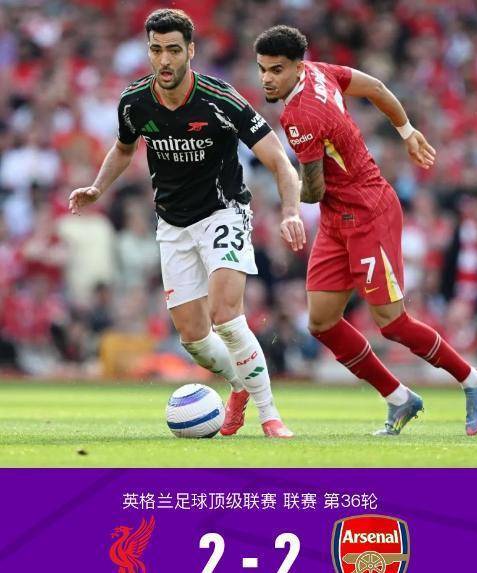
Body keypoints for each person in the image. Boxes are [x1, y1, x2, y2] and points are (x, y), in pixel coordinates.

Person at [69, 10, 307, 438]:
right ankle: (239, 385)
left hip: (223, 212)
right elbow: (123, 149)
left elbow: (278, 160)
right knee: (194, 338)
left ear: (191, 51)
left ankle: (270, 415)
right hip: (172, 225)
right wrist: (97, 187)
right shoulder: (134, 102)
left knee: (226, 317)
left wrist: (290, 210)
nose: (164, 60)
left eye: (174, 50)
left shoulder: (220, 99)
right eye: (156, 49)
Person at [254, 25, 477, 436]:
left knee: (391, 322)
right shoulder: (320, 72)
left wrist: (280, 182)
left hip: (368, 213)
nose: (266, 79)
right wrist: (407, 131)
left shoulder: (300, 116)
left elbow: (313, 190)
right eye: (262, 69)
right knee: (322, 322)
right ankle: (399, 398)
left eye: (276, 70)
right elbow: (377, 88)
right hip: (337, 217)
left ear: (297, 67)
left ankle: (474, 379)